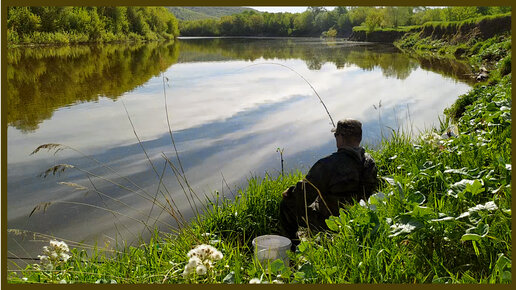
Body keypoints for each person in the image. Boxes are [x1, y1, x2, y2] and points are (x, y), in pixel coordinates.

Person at [279, 118, 378, 244]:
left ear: (340, 137)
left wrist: (290, 192)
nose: (336, 138)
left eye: (336, 135)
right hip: (358, 217)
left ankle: (293, 247)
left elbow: (303, 195)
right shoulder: (370, 162)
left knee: (287, 204)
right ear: (359, 137)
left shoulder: (327, 165)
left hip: (331, 220)